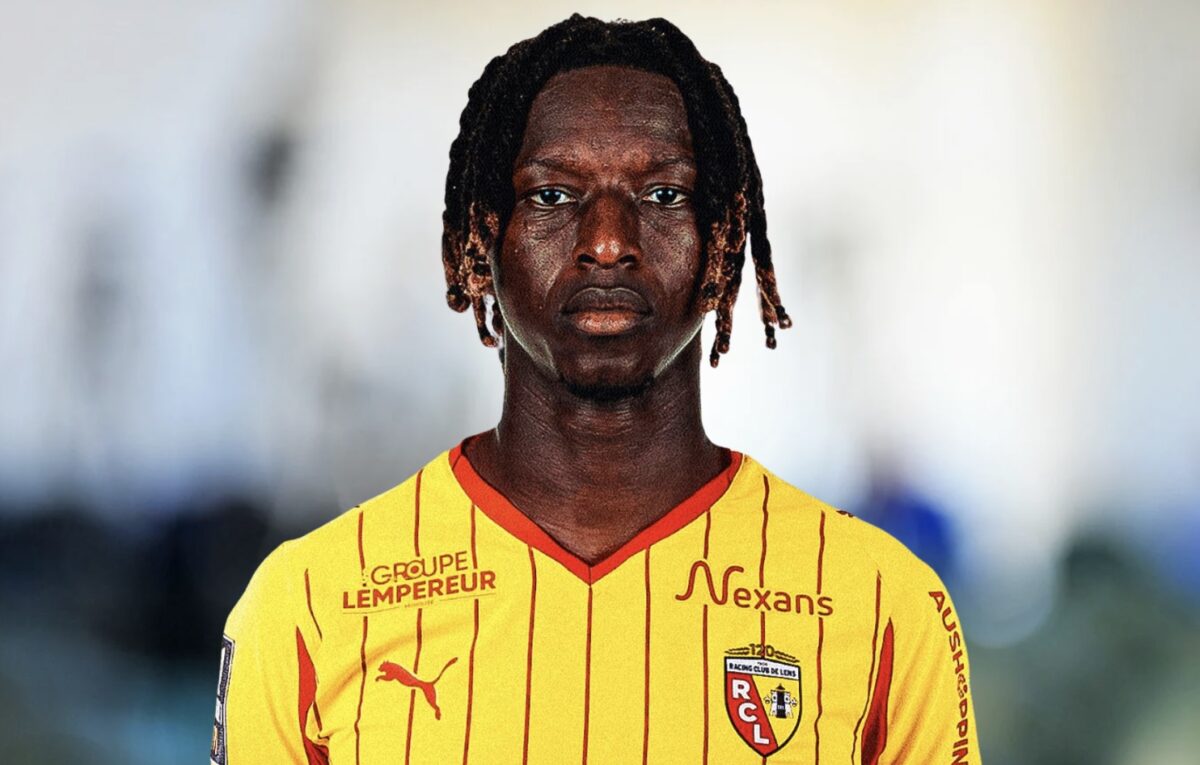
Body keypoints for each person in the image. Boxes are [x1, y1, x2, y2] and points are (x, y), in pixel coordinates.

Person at [211, 14, 981, 765]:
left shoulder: (880, 604)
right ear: (479, 238)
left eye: (664, 195)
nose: (608, 241)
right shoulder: (309, 606)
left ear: (722, 243)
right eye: (552, 196)